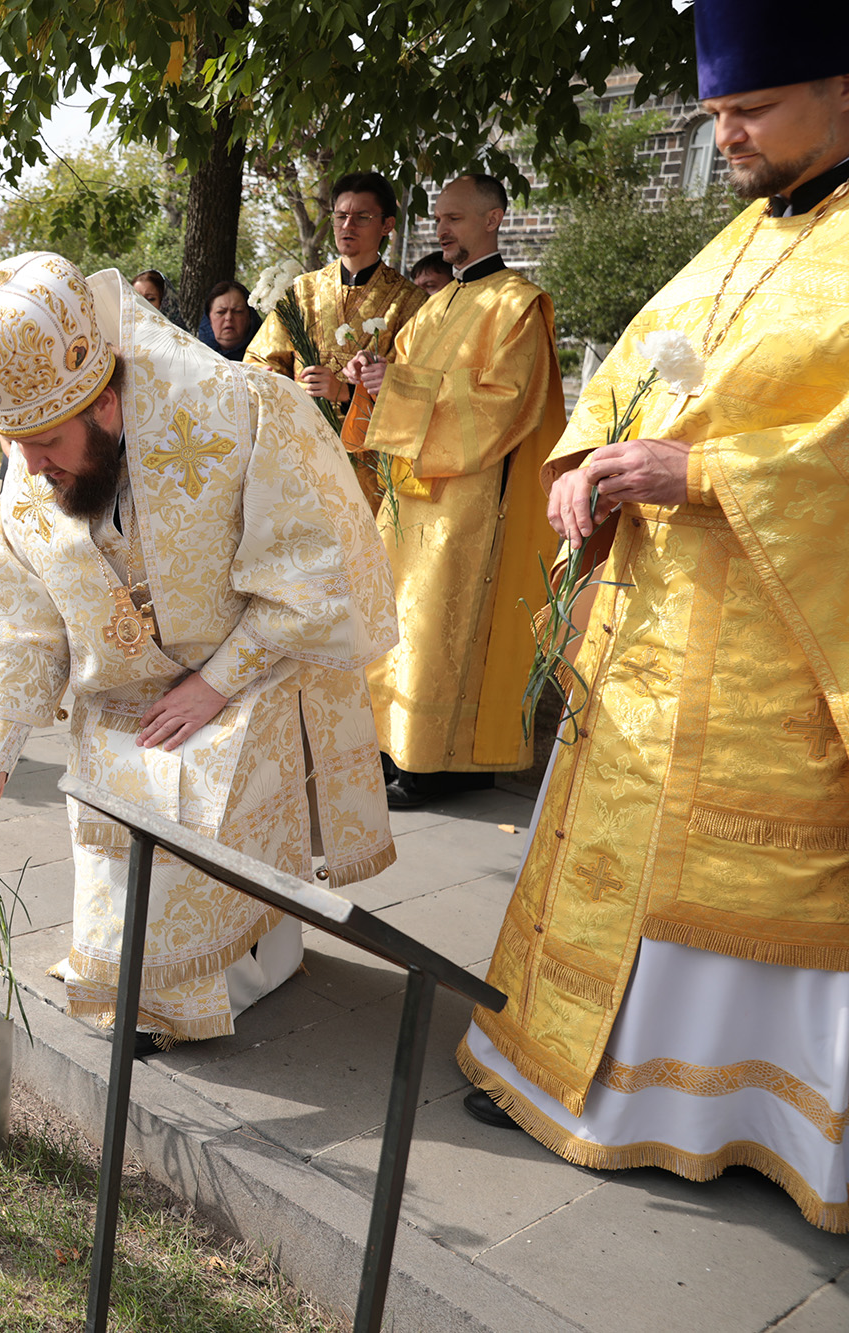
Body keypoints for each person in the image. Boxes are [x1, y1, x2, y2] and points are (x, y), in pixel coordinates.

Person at [460, 5, 849, 1233]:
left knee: (725, 878)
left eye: (751, 109)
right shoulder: (732, 238)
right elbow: (627, 379)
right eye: (716, 112)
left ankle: (734, 1117)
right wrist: (584, 465)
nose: (724, 133)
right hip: (647, 631)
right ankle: (566, 1070)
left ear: (841, 88)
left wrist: (707, 473)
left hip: (773, 652)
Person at [0, 248, 398, 1051]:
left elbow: (308, 576)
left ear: (105, 405)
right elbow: (19, 618)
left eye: (45, 441)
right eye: (16, 443)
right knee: (123, 792)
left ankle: (208, 981)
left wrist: (216, 683)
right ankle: (141, 975)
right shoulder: (33, 456)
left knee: (199, 771)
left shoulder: (235, 411)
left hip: (248, 671)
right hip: (119, 694)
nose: (31, 466)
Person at [343, 175, 565, 808]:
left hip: (467, 498)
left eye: (455, 219)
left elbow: (507, 402)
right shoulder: (435, 306)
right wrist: (371, 376)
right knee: (396, 619)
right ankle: (391, 747)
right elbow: (402, 378)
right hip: (410, 493)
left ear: (493, 219)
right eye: (438, 218)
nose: (441, 229)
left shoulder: (516, 305)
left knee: (438, 623)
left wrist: (400, 387)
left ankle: (435, 765)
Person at [246, 172, 427, 438]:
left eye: (362, 217)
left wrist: (346, 392)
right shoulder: (302, 290)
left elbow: (415, 387)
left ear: (387, 225)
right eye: (341, 216)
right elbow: (261, 360)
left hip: (368, 447)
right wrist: (269, 379)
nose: (347, 226)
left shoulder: (411, 302)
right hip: (299, 437)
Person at [196, 280, 259, 360]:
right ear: (209, 318)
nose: (228, 318)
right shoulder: (193, 359)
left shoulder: (266, 358)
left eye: (237, 311)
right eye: (220, 312)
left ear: (250, 317)